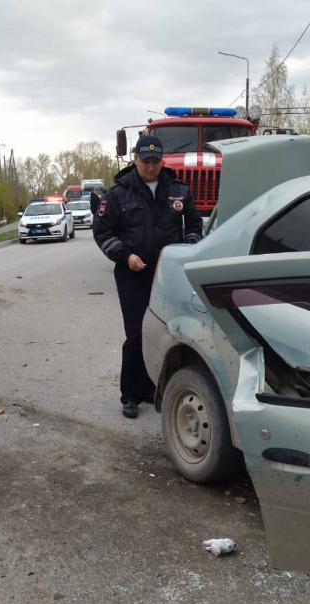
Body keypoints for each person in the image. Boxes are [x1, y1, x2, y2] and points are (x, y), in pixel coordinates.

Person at [93, 134, 202, 419]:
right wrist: (125, 256)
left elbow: (194, 225)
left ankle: (157, 387)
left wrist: (186, 250)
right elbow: (103, 231)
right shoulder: (117, 193)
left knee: (171, 331)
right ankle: (131, 393)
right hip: (132, 273)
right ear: (135, 160)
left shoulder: (178, 190)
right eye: (145, 161)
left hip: (168, 275)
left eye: (155, 161)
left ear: (162, 161)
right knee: (137, 332)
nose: (150, 167)